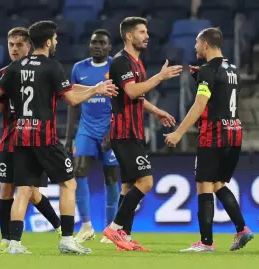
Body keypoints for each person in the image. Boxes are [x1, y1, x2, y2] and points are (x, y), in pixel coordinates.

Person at [0, 20, 118, 255]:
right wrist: (95, 90)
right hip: (44, 136)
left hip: (20, 137)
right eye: (54, 39)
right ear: (47, 41)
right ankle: (66, 238)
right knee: (69, 183)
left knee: (22, 190)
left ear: (29, 43)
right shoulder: (53, 66)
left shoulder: (15, 68)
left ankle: (14, 243)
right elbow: (71, 98)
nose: (56, 42)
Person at [164, 27, 254, 252]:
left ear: (205, 44)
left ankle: (206, 243)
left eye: (196, 43)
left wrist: (178, 133)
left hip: (213, 134)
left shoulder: (207, 70)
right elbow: (222, 95)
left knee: (204, 185)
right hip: (234, 132)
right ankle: (242, 229)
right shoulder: (232, 69)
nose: (194, 47)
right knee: (217, 184)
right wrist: (201, 76)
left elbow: (200, 104)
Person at [0, 27, 62, 254]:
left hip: (35, 138)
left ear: (29, 46)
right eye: (11, 45)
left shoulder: (44, 69)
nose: (14, 49)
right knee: (7, 189)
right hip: (10, 139)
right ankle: (6, 240)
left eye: (19, 45)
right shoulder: (6, 72)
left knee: (29, 190)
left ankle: (58, 227)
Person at [101, 16, 182, 251]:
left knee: (128, 187)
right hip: (125, 133)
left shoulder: (136, 62)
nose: (147, 36)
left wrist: (156, 111)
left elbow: (137, 96)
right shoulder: (120, 62)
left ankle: (123, 238)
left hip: (134, 131)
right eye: (142, 32)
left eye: (146, 32)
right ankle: (114, 229)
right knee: (146, 182)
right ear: (128, 36)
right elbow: (132, 90)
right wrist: (160, 76)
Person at [65, 29, 120, 244]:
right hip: (86, 129)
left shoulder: (116, 66)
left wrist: (113, 131)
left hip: (109, 128)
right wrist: (68, 137)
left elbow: (121, 103)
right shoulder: (79, 68)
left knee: (111, 178)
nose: (96, 46)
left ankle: (110, 228)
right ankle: (86, 226)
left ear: (109, 47)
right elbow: (72, 102)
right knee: (78, 173)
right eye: (93, 42)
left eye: (101, 43)